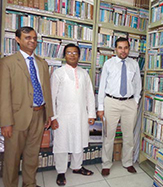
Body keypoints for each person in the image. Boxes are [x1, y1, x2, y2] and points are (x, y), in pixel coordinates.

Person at [0, 26, 53, 187]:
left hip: (39, 115)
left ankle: (30, 183)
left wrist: (48, 114)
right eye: (27, 38)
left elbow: (46, 90)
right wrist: (6, 122)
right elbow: (3, 94)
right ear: (17, 40)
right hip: (17, 118)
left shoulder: (42, 63)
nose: (32, 41)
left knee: (32, 154)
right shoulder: (7, 62)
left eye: (34, 38)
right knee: (12, 157)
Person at [50, 44, 96, 185]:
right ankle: (61, 171)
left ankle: (77, 167)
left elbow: (89, 95)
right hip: (62, 116)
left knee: (79, 141)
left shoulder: (84, 73)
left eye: (75, 52)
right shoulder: (58, 73)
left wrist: (91, 114)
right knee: (61, 143)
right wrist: (53, 118)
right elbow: (52, 96)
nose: (72, 55)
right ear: (64, 55)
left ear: (79, 55)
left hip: (81, 115)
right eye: (69, 52)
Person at [97, 37, 142, 176]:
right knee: (108, 135)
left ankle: (127, 162)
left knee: (128, 135)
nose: (123, 51)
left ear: (129, 48)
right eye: (120, 48)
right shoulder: (108, 64)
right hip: (111, 102)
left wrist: (135, 101)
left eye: (126, 47)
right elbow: (102, 86)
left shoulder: (134, 64)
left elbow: (137, 85)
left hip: (129, 103)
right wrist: (100, 107)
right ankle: (106, 164)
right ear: (115, 49)